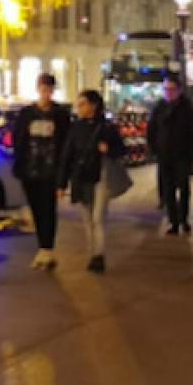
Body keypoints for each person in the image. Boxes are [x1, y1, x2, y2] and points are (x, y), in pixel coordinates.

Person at [56, 89, 125, 273]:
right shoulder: (75, 128)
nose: (78, 108)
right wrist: (61, 183)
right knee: (87, 219)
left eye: (82, 104)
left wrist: (108, 149)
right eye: (78, 104)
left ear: (93, 106)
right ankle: (93, 253)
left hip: (100, 175)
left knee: (98, 218)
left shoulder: (107, 128)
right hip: (81, 177)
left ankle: (99, 255)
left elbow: (121, 150)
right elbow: (67, 156)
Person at [12, 73, 70, 270]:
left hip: (50, 171)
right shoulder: (27, 113)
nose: (46, 93)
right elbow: (18, 138)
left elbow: (65, 143)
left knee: (48, 210)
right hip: (30, 170)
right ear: (38, 89)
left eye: (49, 89)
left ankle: (47, 248)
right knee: (36, 209)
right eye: (43, 89)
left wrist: (63, 175)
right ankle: (42, 248)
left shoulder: (60, 114)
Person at [147, 75, 193, 236]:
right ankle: (173, 222)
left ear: (178, 90)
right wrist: (153, 149)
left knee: (183, 188)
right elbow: (151, 130)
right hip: (164, 156)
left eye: (171, 89)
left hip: (182, 155)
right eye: (165, 89)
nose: (168, 93)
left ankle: (184, 219)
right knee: (168, 190)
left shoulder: (187, 108)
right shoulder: (159, 107)